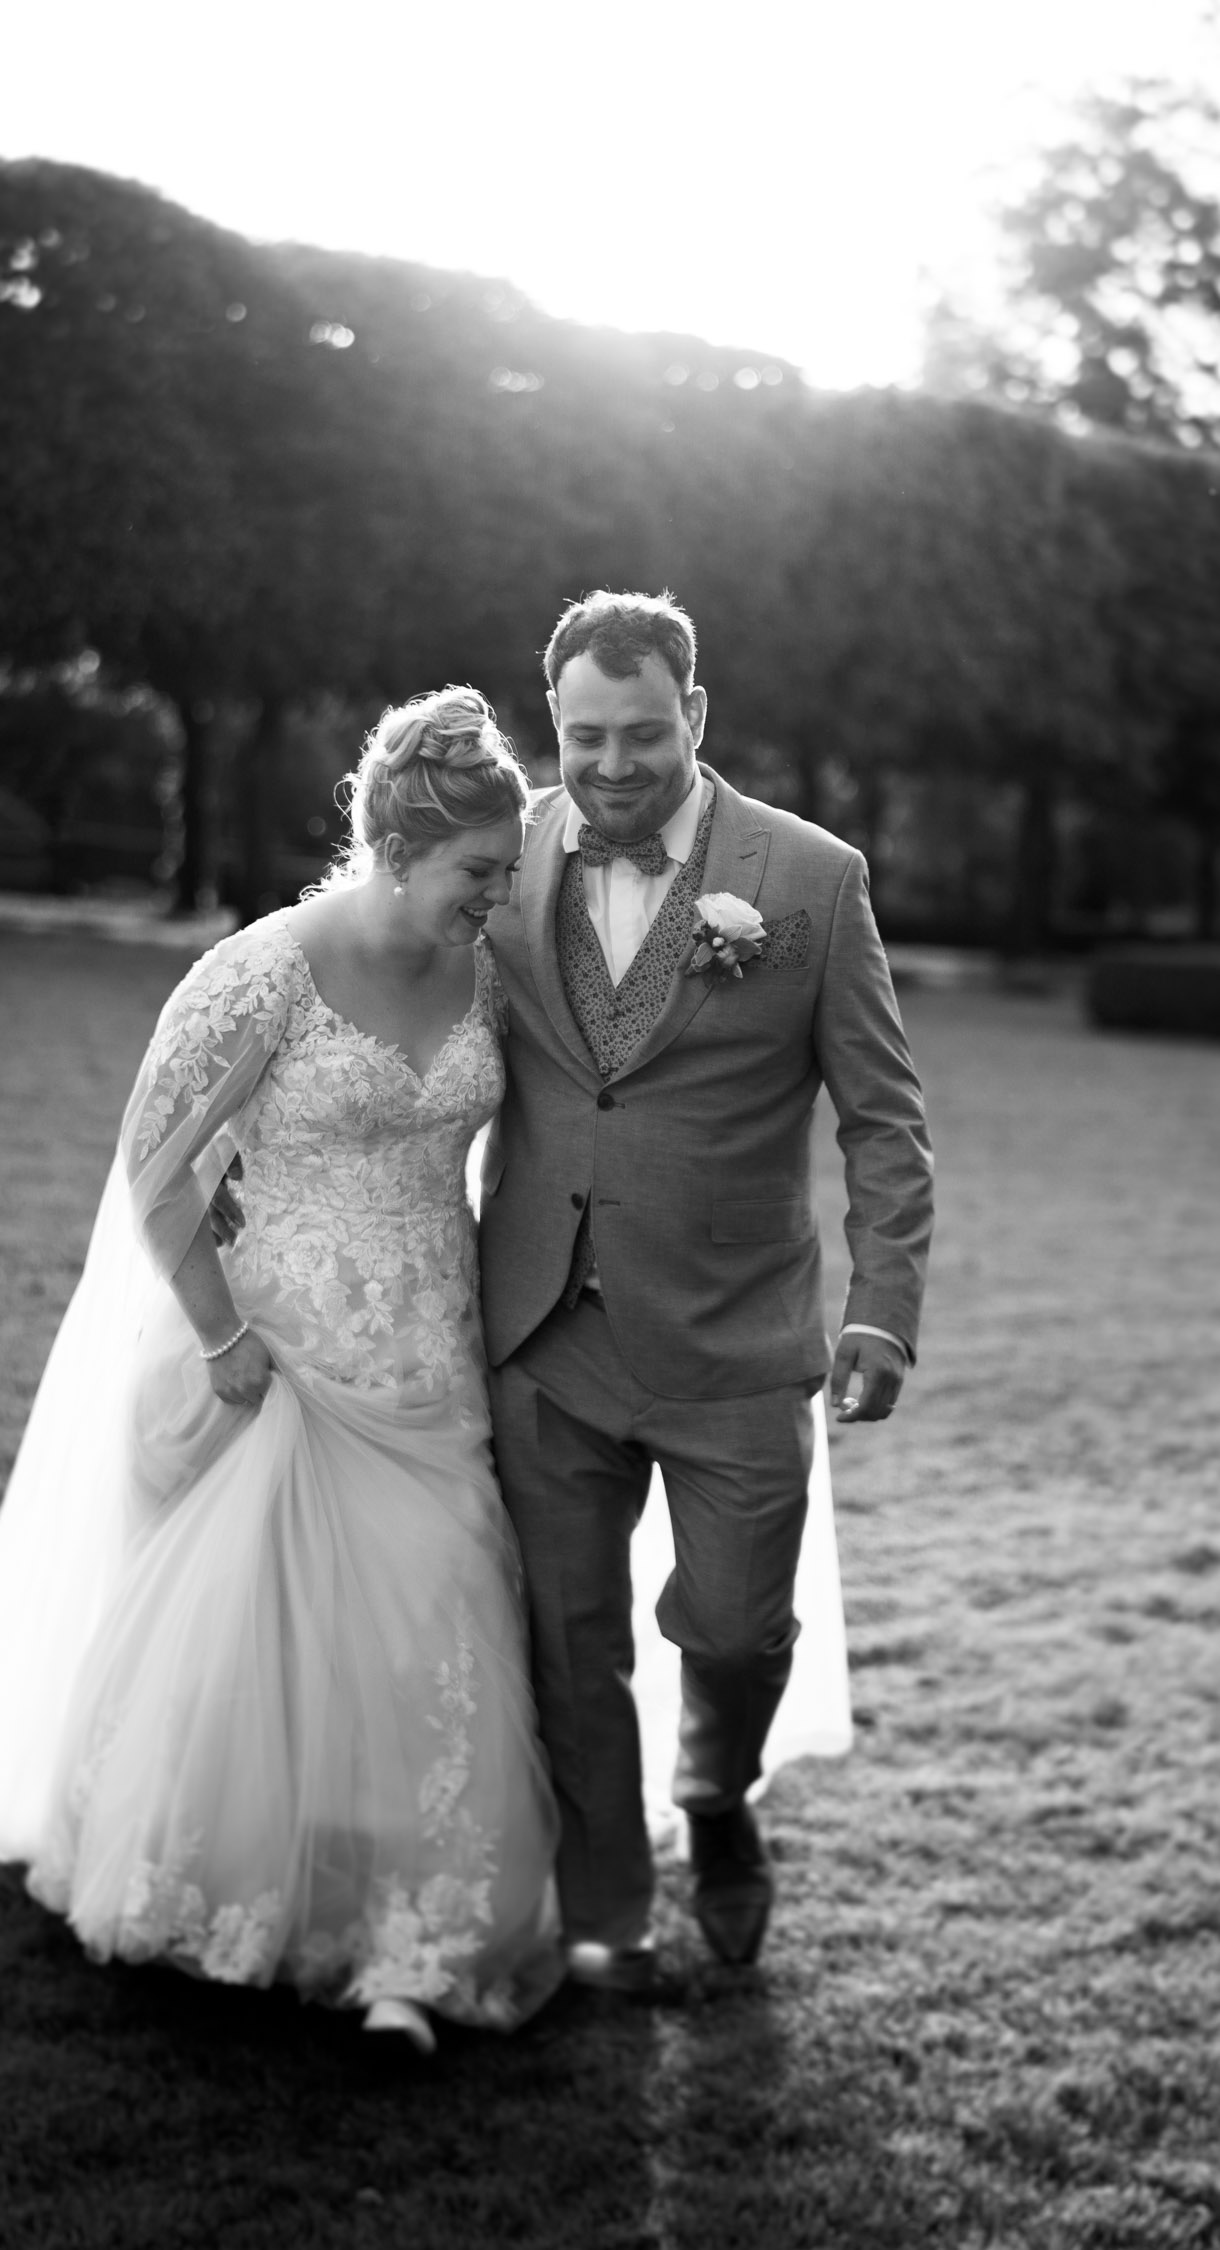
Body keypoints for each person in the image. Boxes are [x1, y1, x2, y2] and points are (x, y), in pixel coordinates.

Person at [0, 687, 563, 2059]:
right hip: (280, 1357)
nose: (497, 896)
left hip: (431, 1356)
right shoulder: (262, 972)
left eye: (507, 872)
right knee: (270, 1635)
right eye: (477, 871)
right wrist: (221, 1337)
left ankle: (408, 1949)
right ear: (397, 845)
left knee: (434, 1619)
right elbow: (154, 1170)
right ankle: (233, 1882)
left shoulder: (489, 973)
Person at [479, 590, 934, 1989]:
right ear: (553, 723)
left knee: (737, 1629)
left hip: (736, 1337)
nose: (611, 765)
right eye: (584, 736)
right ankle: (608, 1917)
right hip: (540, 1327)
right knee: (569, 1646)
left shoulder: (810, 879)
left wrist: (881, 1307)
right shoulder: (502, 855)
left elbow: (883, 1118)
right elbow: (381, 995)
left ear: (695, 715)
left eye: (641, 734)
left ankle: (717, 1790)